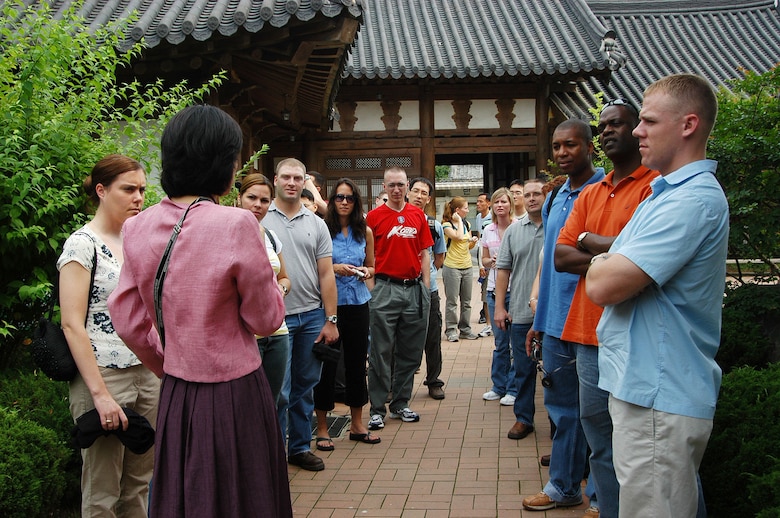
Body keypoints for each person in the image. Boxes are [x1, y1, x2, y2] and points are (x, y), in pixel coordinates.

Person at [108, 105, 292, 516]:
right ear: (221, 164)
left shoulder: (137, 227)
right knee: (245, 496)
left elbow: (126, 318)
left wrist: (167, 361)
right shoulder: (238, 224)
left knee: (186, 495)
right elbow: (266, 320)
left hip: (176, 388)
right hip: (236, 389)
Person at [586, 74, 728, 518]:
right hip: (648, 388)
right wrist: (607, 262)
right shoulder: (663, 195)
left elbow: (603, 284)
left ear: (688, 125)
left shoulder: (692, 201)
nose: (636, 131)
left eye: (647, 121)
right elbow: (609, 266)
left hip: (658, 394)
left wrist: (602, 263)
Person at [553, 100, 657, 518]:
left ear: (636, 130)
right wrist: (614, 250)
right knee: (599, 437)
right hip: (587, 334)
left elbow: (645, 257)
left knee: (641, 440)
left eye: (618, 124)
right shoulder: (591, 192)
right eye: (603, 126)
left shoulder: (656, 186)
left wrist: (591, 242)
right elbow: (561, 256)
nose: (608, 131)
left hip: (636, 332)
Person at [59, 154, 159, 517]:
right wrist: (99, 396)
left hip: (146, 372)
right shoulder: (82, 245)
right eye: (128, 189)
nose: (138, 198)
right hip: (103, 375)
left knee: (140, 482)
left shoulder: (139, 240)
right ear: (101, 190)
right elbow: (71, 324)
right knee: (102, 488)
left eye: (143, 190)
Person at [522, 119, 604, 512]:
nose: (562, 153)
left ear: (590, 147)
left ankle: (604, 497)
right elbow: (550, 265)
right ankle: (564, 487)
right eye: (556, 147)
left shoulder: (606, 190)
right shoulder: (555, 196)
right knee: (562, 411)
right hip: (555, 321)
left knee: (600, 416)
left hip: (593, 320)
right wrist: (539, 323)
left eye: (570, 145)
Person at [264, 158, 340, 472]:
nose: (292, 183)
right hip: (275, 318)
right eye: (286, 177)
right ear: (276, 179)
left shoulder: (316, 222)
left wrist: (330, 318)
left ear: (305, 181)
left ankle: (298, 448)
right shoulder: (259, 218)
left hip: (311, 316)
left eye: (298, 178)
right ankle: (273, 452)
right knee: (278, 390)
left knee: (305, 386)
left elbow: (326, 274)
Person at [313, 178, 380, 449]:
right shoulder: (322, 230)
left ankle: (357, 423)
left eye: (349, 198)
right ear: (331, 201)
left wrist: (366, 272)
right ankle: (321, 426)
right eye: (339, 197)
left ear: (356, 202)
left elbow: (373, 266)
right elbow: (316, 267)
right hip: (329, 305)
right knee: (326, 364)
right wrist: (336, 267)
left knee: (355, 364)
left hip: (358, 303)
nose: (343, 202)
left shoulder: (365, 231)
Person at [366, 166, 433, 431]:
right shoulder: (373, 217)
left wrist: (425, 287)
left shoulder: (418, 215)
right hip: (384, 288)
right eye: (391, 185)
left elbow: (425, 252)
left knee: (411, 351)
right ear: (384, 186)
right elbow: (365, 256)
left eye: (401, 185)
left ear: (407, 186)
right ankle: (376, 408)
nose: (396, 189)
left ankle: (401, 403)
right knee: (380, 351)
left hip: (414, 290)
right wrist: (372, 288)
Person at [491, 179, 546, 439]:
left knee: (557, 373)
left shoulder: (558, 225)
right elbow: (503, 270)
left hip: (553, 313)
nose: (532, 198)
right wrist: (500, 307)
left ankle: (559, 424)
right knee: (523, 369)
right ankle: (524, 418)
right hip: (522, 311)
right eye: (528, 194)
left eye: (538, 193)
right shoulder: (514, 230)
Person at [238, 173, 292, 406]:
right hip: (246, 333)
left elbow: (285, 277)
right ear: (239, 198)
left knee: (275, 401)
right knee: (248, 403)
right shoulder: (229, 235)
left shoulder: (270, 236)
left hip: (278, 330)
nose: (257, 205)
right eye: (252, 198)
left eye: (264, 200)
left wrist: (281, 288)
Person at [408, 177, 448, 400]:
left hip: (428, 289)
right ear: (408, 193)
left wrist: (428, 276)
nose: (419, 196)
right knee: (399, 338)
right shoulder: (399, 221)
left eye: (424, 193)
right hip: (402, 288)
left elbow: (439, 257)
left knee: (432, 337)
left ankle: (434, 381)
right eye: (416, 191)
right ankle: (397, 384)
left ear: (429, 198)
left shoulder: (434, 225)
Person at [479, 187, 518, 406]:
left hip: (516, 290)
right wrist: (490, 262)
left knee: (515, 344)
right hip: (494, 290)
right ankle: (498, 386)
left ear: (510, 204)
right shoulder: (488, 230)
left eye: (503, 201)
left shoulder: (519, 227)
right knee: (500, 342)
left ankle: (513, 388)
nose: (500, 205)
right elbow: (483, 260)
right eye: (496, 202)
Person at [441, 197, 479, 342]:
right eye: (465, 208)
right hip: (452, 266)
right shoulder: (446, 225)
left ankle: (465, 329)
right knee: (452, 301)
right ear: (457, 210)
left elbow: (466, 245)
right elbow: (457, 237)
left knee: (467, 301)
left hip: (467, 265)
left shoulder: (466, 224)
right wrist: (457, 222)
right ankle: (451, 330)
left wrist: (473, 242)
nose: (468, 210)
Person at [474, 192, 492, 332]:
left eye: (481, 201)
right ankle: (488, 324)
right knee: (485, 292)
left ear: (489, 203)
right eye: (477, 201)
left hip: (495, 259)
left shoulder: (494, 217)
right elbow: (481, 241)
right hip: (484, 259)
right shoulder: (479, 217)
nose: (478, 204)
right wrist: (480, 264)